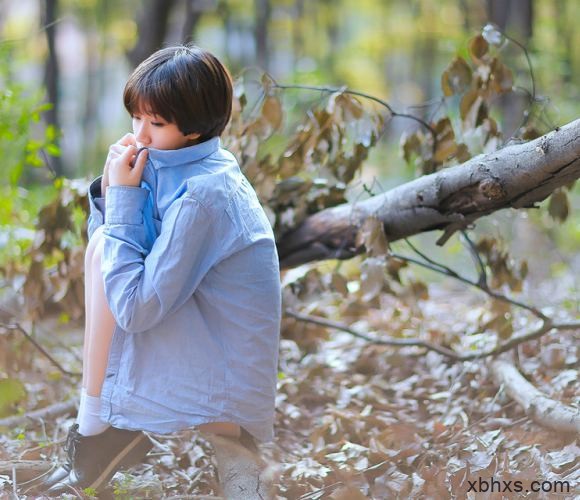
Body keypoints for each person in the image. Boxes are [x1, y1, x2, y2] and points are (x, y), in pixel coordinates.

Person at [38, 45, 282, 496]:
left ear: (194, 128)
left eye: (156, 123)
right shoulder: (176, 162)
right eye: (136, 118)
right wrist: (114, 190)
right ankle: (95, 428)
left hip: (221, 377)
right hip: (194, 342)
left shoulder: (203, 194)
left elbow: (134, 309)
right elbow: (111, 258)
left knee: (107, 250)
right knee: (101, 249)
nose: (141, 135)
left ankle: (100, 431)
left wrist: (124, 202)